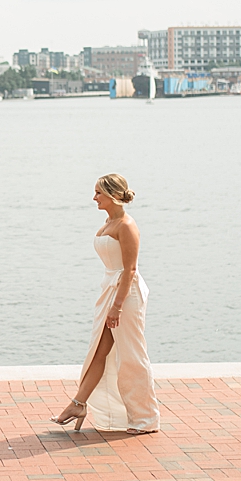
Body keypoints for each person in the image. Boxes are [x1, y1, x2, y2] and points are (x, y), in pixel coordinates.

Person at [52, 173, 160, 435]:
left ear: (111, 195)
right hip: (109, 290)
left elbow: (130, 270)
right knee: (98, 352)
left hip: (126, 295)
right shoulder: (109, 221)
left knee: (132, 355)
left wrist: (118, 306)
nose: (94, 198)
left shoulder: (126, 225)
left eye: (98, 193)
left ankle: (145, 420)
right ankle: (78, 404)